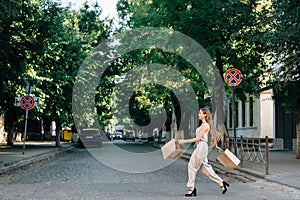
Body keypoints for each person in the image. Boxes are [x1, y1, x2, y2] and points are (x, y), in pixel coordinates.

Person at [178, 107, 230, 197]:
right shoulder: (204, 125)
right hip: (201, 146)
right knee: (205, 169)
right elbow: (211, 136)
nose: (199, 115)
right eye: (199, 113)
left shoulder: (205, 125)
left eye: (200, 113)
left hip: (201, 147)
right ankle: (221, 183)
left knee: (191, 166)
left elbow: (198, 138)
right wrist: (216, 146)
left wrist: (183, 141)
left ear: (205, 115)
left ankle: (191, 189)